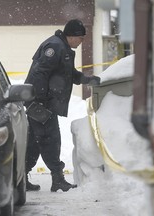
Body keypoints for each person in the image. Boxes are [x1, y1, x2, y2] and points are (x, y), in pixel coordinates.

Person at [24, 19, 100, 192]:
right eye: (80, 38)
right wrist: (40, 100)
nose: (81, 42)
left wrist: (87, 80)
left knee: (35, 141)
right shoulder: (56, 47)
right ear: (72, 36)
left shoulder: (62, 47)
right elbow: (40, 73)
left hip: (41, 102)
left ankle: (20, 178)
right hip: (40, 103)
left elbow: (69, 74)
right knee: (50, 139)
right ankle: (57, 179)